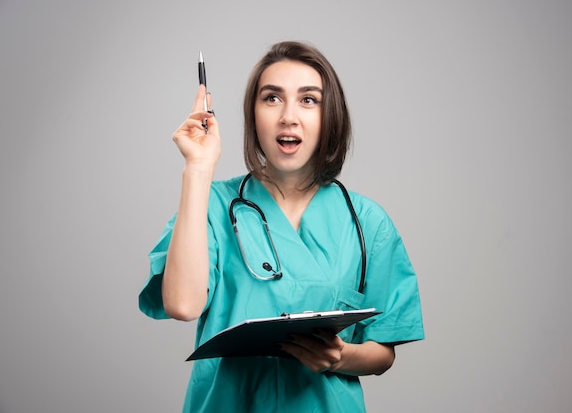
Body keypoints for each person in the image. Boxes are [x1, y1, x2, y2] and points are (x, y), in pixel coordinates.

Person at [139, 41, 424, 412]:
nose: (289, 116)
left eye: (308, 100)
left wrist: (339, 357)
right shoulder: (212, 206)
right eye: (272, 98)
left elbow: (383, 351)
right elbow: (181, 304)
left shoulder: (367, 222)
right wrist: (198, 168)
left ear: (329, 116)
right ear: (253, 114)